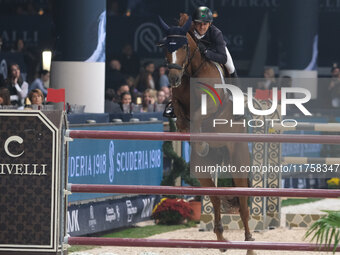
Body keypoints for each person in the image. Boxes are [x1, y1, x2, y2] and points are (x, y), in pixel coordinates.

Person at [164, 6, 237, 117]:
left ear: (210, 24)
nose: (202, 27)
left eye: (205, 24)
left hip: (216, 52)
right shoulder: (190, 29)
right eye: (199, 23)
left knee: (230, 67)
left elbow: (222, 58)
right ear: (194, 23)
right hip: (195, 57)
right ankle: (174, 103)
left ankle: (236, 100)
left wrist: (207, 53)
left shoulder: (216, 33)